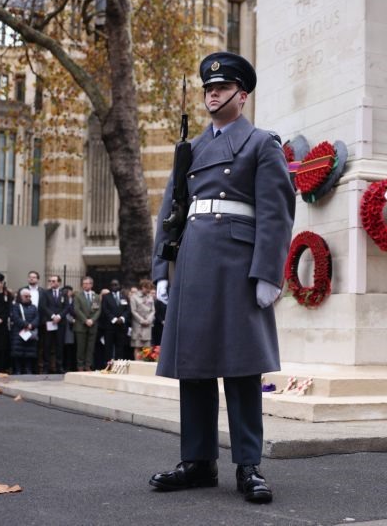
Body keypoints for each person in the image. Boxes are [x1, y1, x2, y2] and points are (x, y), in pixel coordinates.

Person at [149, 52, 295, 503]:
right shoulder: (191, 149)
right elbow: (171, 213)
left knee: (241, 368)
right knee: (193, 366)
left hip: (236, 263)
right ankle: (197, 462)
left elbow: (276, 214)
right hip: (193, 261)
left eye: (221, 87)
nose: (212, 93)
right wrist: (161, 270)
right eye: (208, 88)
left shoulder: (261, 144)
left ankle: (248, 464)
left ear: (241, 95)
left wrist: (268, 273)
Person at [73, 276, 101, 371]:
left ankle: (88, 365)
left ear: (91, 285)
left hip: (92, 325)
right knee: (81, 347)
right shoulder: (78, 296)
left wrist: (92, 320)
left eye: (87, 283)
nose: (86, 285)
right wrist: (85, 320)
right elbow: (77, 310)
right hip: (81, 325)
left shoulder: (96, 296)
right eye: (84, 283)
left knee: (90, 347)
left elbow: (98, 310)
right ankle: (80, 365)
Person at [43, 275, 68, 373]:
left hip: (61, 322)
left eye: (54, 281)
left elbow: (67, 307)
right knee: (47, 345)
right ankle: (46, 367)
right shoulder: (46, 293)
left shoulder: (64, 293)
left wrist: (59, 316)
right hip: (50, 322)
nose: (51, 283)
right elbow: (43, 306)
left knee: (59, 345)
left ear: (59, 282)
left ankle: (59, 366)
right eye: (50, 281)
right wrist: (53, 316)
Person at [10, 288, 38, 374]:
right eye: (26, 296)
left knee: (29, 353)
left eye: (29, 296)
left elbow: (37, 318)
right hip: (18, 332)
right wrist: (26, 325)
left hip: (29, 333)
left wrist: (31, 325)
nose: (28, 298)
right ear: (21, 296)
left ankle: (28, 369)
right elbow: (15, 318)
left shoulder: (34, 307)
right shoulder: (16, 306)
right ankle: (18, 370)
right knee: (18, 353)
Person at [100, 279, 129, 361]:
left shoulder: (124, 296)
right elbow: (105, 310)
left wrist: (122, 318)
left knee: (120, 347)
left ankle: (118, 364)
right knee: (108, 347)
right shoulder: (106, 297)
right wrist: (114, 319)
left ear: (119, 285)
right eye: (113, 285)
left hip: (121, 326)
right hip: (110, 326)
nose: (114, 286)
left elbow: (127, 309)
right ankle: (108, 365)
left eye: (116, 285)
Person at [129, 279, 155, 360]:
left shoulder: (150, 297)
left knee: (147, 347)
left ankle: (145, 363)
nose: (148, 290)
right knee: (137, 346)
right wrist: (142, 320)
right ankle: (137, 363)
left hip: (148, 324)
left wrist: (149, 320)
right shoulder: (134, 297)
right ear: (142, 287)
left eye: (149, 288)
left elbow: (153, 310)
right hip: (138, 325)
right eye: (147, 288)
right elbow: (133, 311)